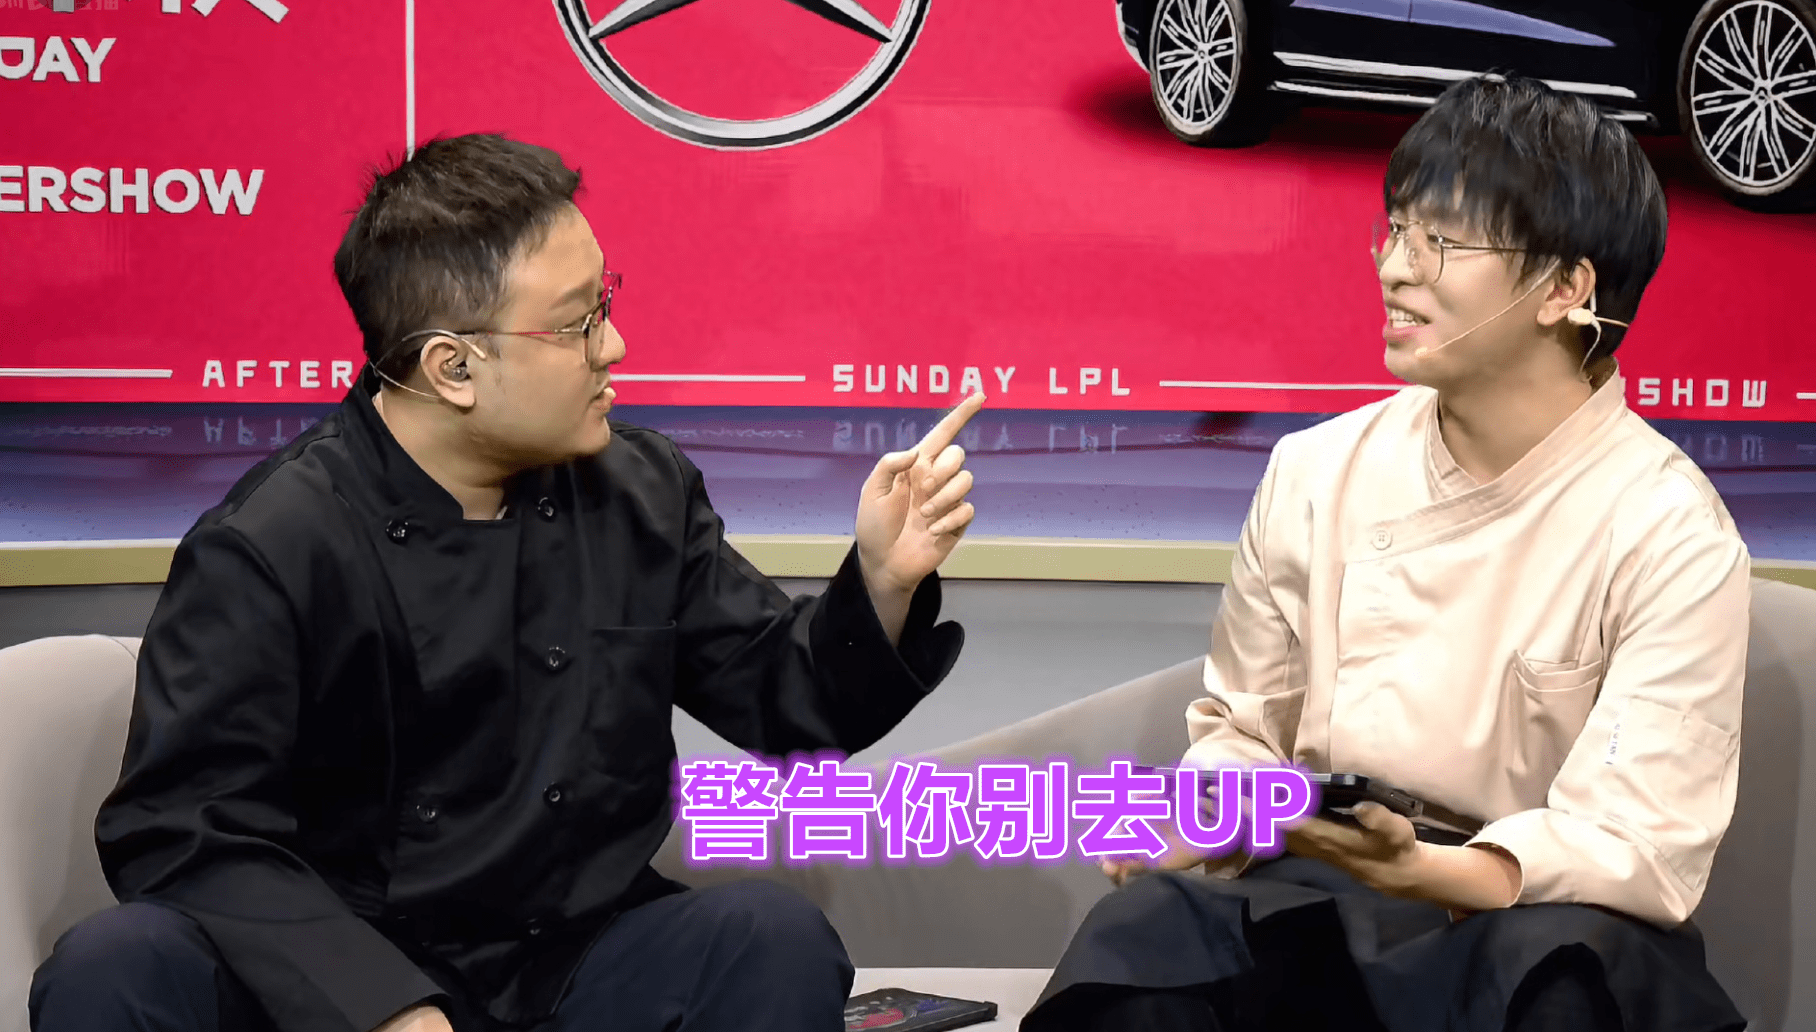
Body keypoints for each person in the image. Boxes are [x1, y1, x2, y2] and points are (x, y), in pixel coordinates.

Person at [28, 133, 986, 1032]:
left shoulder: (640, 490)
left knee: (770, 938)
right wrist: (383, 1005)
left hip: (569, 960)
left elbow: (788, 699)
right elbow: (183, 827)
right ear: (453, 367)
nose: (613, 347)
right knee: (118, 965)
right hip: (341, 964)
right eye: (577, 324)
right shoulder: (273, 545)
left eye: (605, 303)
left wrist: (881, 581)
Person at [1021, 75, 1751, 1032]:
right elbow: (1243, 730)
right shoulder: (1316, 472)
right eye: (1397, 230)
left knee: (1570, 983)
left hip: (1530, 914)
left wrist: (1431, 869)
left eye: (1442, 242)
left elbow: (1637, 837)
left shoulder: (1670, 530)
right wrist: (1208, 817)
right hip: (1322, 886)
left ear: (1566, 288)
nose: (1397, 269)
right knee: (1143, 940)